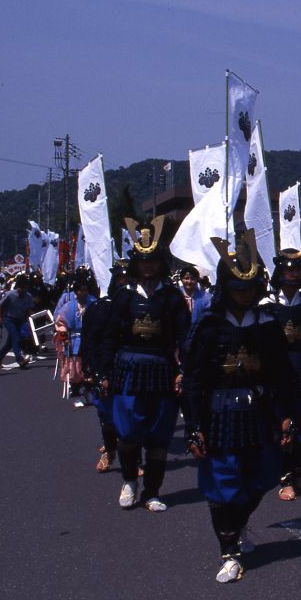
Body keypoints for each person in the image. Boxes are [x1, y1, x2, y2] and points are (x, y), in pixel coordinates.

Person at [184, 231, 294, 583]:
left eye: (249, 289)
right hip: (219, 413)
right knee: (222, 482)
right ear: (225, 287)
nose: (243, 295)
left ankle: (238, 523)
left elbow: (282, 372)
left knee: (262, 477)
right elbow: (194, 378)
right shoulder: (209, 327)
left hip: (259, 411)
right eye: (237, 288)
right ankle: (228, 550)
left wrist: (287, 413)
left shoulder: (268, 325)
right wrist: (193, 424)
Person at [101, 217, 190, 511]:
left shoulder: (172, 297)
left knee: (159, 434)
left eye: (152, 261)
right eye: (142, 261)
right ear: (135, 264)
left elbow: (184, 336)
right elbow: (110, 335)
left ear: (160, 262)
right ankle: (129, 479)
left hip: (162, 368)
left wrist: (184, 370)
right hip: (128, 367)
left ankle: (152, 491)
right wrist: (103, 372)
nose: (148, 266)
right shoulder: (124, 297)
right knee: (127, 431)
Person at [260, 246, 301, 501]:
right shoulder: (267, 304)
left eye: (297, 270)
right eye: (288, 270)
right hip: (277, 370)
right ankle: (286, 477)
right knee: (283, 426)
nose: (292, 275)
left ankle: (297, 468)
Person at [80, 261, 129, 473]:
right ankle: (110, 451)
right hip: (106, 369)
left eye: (130, 280)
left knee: (131, 415)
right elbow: (90, 341)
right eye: (121, 279)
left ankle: (132, 460)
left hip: (132, 368)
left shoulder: (139, 306)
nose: (125, 284)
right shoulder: (100, 307)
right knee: (107, 416)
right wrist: (93, 371)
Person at [54, 268, 97, 404]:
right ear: (75, 291)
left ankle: (90, 388)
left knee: (90, 365)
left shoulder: (93, 302)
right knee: (75, 367)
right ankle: (76, 387)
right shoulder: (69, 304)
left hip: (90, 338)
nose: (82, 293)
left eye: (85, 290)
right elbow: (60, 320)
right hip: (74, 340)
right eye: (80, 290)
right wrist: (62, 333)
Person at [0, 272, 34, 369]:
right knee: (16, 338)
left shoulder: (28, 296)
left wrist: (30, 319)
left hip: (20, 320)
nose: (23, 290)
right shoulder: (10, 294)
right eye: (21, 288)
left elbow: (29, 309)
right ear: (18, 287)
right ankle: (20, 360)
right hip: (9, 319)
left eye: (24, 288)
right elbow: (0, 305)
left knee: (10, 342)